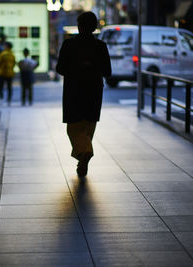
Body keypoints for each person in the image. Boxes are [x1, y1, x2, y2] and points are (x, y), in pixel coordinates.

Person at [56, 11, 111, 177]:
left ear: (79, 26)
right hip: (94, 91)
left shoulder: (69, 45)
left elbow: (60, 68)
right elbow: (107, 72)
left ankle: (85, 153)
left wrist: (76, 70)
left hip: (74, 90)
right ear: (95, 27)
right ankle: (83, 158)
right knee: (88, 128)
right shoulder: (101, 46)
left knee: (73, 128)